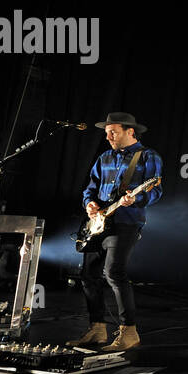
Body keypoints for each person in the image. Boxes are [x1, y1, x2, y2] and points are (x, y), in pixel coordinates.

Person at [66, 112, 164, 352]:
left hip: (126, 223)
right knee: (89, 275)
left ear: (130, 131)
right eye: (106, 132)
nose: (108, 136)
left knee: (113, 272)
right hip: (99, 223)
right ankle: (97, 328)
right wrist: (89, 204)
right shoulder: (104, 157)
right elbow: (90, 188)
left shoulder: (148, 156)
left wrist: (137, 198)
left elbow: (156, 191)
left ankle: (129, 331)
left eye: (114, 132)